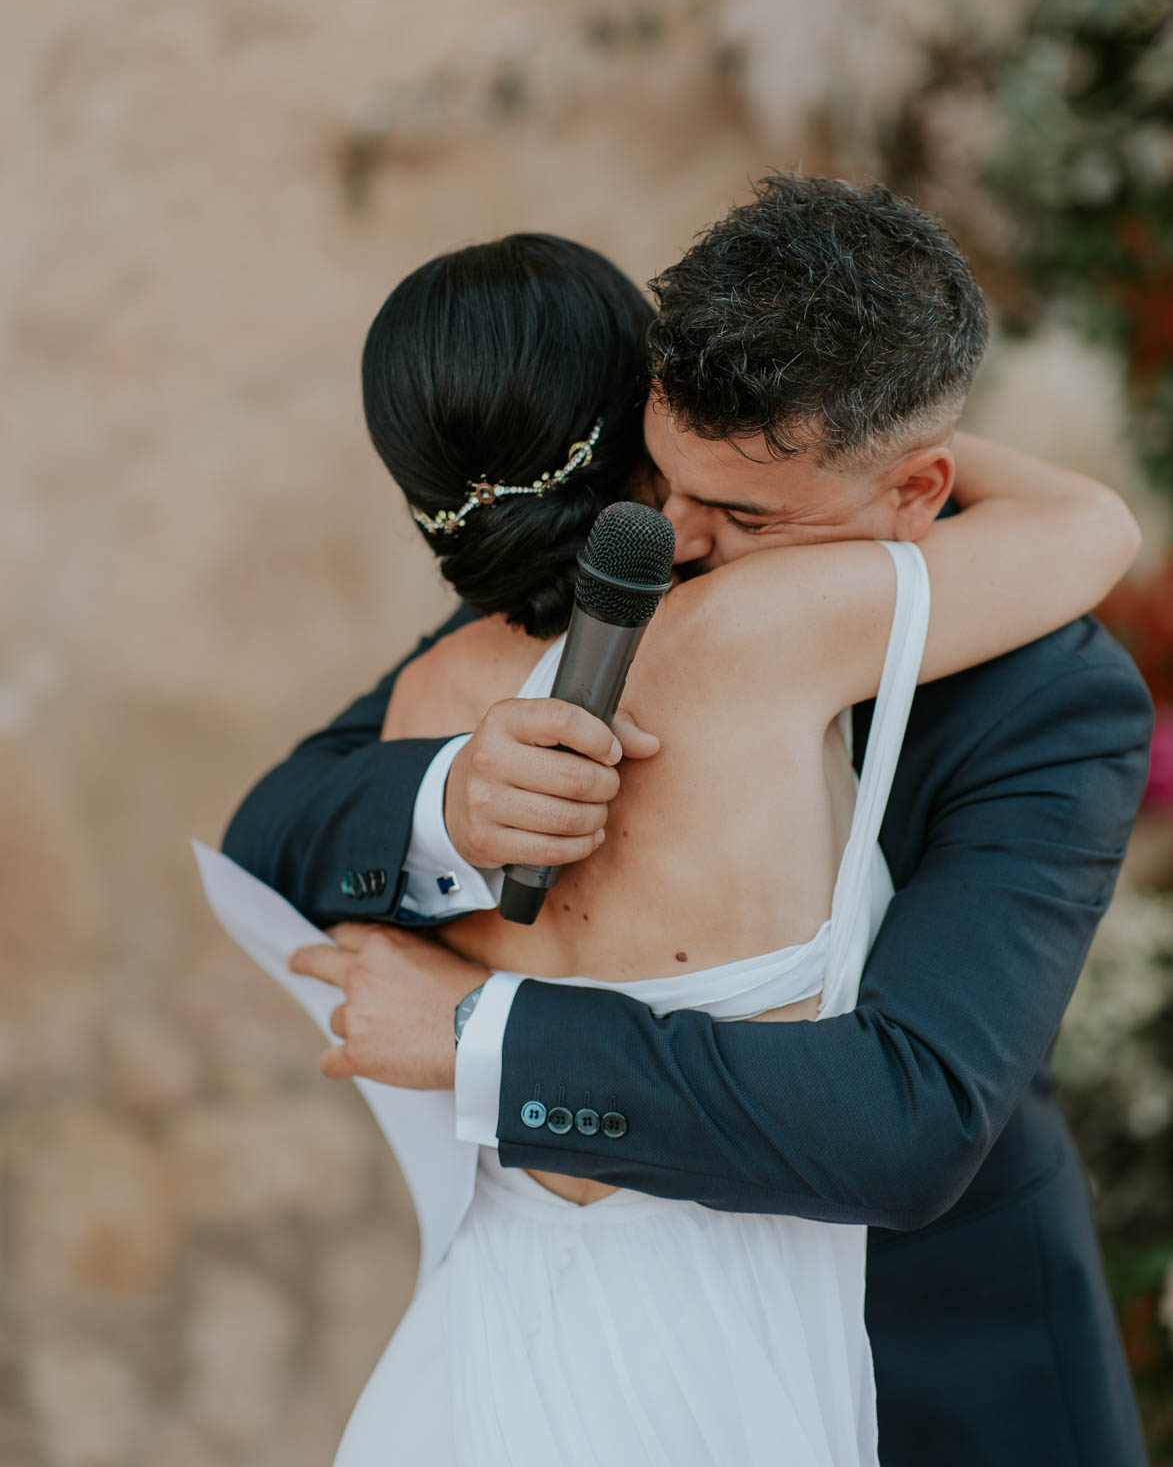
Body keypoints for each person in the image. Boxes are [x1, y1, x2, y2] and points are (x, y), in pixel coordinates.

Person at [223, 180, 1154, 1466]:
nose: (675, 535)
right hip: (555, 1344)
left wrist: (483, 1035)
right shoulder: (605, 574)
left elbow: (913, 1116)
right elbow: (279, 824)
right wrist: (449, 797)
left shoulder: (1049, 693)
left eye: (748, 511)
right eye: (662, 468)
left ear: (919, 485)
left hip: (936, 1364)